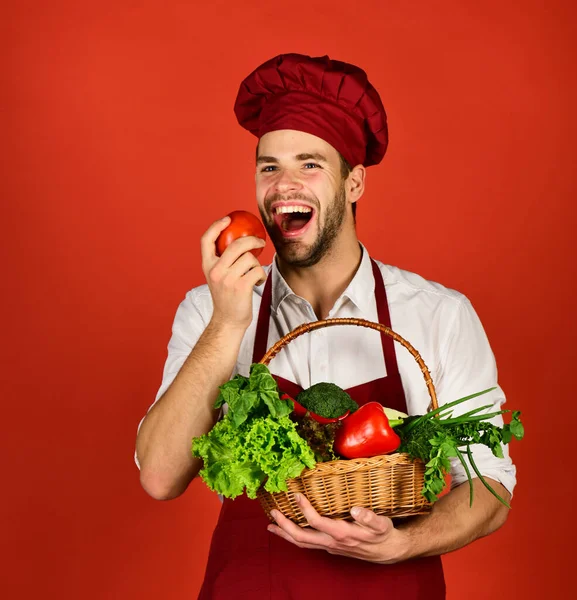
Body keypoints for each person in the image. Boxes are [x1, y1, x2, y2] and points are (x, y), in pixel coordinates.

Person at [135, 54, 516, 599]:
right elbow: (160, 477)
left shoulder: (437, 314)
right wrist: (227, 324)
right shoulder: (210, 308)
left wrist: (402, 544)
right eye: (269, 166)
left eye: (309, 164)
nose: (283, 185)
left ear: (354, 181)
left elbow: (490, 485)